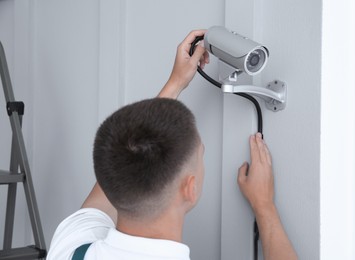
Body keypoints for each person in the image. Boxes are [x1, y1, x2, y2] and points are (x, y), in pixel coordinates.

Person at [47, 29, 297, 260]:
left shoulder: (71, 245)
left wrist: (176, 83)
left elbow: (118, 166)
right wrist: (264, 207)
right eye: (201, 153)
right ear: (190, 187)